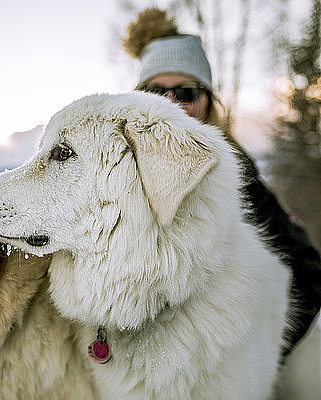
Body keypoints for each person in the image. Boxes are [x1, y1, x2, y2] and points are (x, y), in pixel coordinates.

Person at [123, 8, 321, 358]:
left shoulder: (235, 175)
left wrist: (264, 352)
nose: (170, 104)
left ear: (208, 102)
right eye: (156, 91)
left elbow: (308, 269)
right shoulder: (115, 170)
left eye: (185, 92)